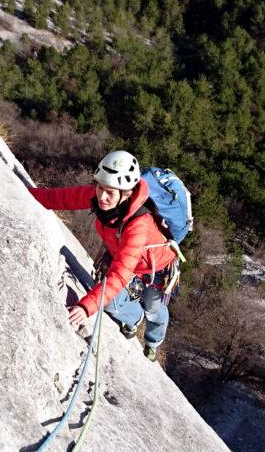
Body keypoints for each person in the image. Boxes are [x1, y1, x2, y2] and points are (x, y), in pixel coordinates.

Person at [28, 150, 179, 361]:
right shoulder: (99, 195)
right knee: (111, 303)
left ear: (126, 194)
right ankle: (133, 320)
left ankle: (154, 342)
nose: (102, 196)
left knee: (154, 309)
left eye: (110, 192)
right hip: (127, 259)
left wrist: (86, 305)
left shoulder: (138, 224)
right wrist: (23, 191)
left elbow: (118, 276)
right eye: (100, 187)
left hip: (158, 268)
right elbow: (61, 198)